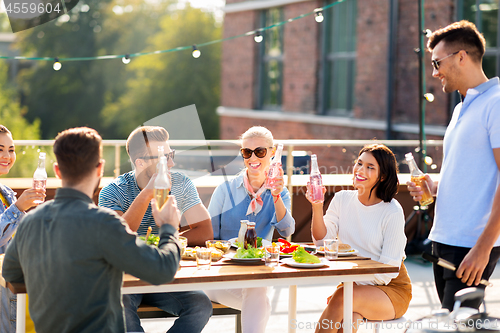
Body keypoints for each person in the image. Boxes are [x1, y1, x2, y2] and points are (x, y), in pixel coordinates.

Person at [2, 127, 182, 333]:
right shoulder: (105, 225)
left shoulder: (30, 222)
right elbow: (163, 270)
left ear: (57, 170)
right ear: (100, 169)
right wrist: (169, 226)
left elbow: (10, 273)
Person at [407, 20, 500, 310]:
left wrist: (483, 247)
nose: (434, 73)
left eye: (437, 62)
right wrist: (435, 188)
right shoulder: (462, 107)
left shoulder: (496, 103)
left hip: (471, 244)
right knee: (453, 324)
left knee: (457, 328)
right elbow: (472, 172)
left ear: (461, 56)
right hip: (445, 238)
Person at [98, 125, 212, 333]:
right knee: (118, 308)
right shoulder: (112, 191)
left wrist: (165, 243)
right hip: (127, 276)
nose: (171, 163)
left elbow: (205, 231)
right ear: (140, 163)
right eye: (163, 157)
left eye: (171, 154)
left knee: (201, 305)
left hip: (165, 271)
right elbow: (114, 237)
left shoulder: (181, 183)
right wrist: (148, 193)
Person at [309, 144, 411, 333]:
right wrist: (317, 205)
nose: (360, 170)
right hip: (353, 285)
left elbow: (388, 271)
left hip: (391, 289)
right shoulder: (342, 199)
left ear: (382, 176)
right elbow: (323, 243)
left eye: (370, 167)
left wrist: (349, 290)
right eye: (359, 163)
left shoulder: (392, 211)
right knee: (349, 318)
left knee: (342, 299)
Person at [206, 126, 295, 333]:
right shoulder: (225, 189)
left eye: (260, 151)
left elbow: (287, 229)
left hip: (256, 275)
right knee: (261, 299)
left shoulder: (280, 192)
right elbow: (208, 237)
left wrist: (275, 195)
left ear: (272, 153)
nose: (253, 157)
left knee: (257, 290)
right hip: (222, 275)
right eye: (247, 152)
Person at [0, 124, 45, 333]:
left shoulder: (6, 192)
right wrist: (18, 208)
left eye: (11, 149)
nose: (7, 156)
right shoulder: (12, 201)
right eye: (0, 149)